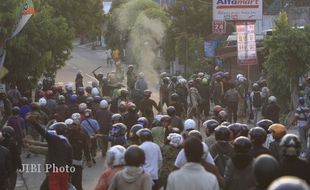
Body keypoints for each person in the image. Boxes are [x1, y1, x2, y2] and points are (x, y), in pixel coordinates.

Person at [26, 116, 72, 190]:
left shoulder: (54, 140)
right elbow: (70, 160)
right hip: (65, 171)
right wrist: (69, 173)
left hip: (54, 171)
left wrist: (34, 122)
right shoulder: (67, 142)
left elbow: (42, 132)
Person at [67, 117, 91, 189]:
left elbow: (86, 149)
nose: (74, 126)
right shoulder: (68, 134)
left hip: (78, 161)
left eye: (76, 125)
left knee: (78, 182)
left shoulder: (83, 135)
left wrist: (89, 160)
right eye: (73, 125)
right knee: (68, 181)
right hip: (68, 161)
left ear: (79, 126)